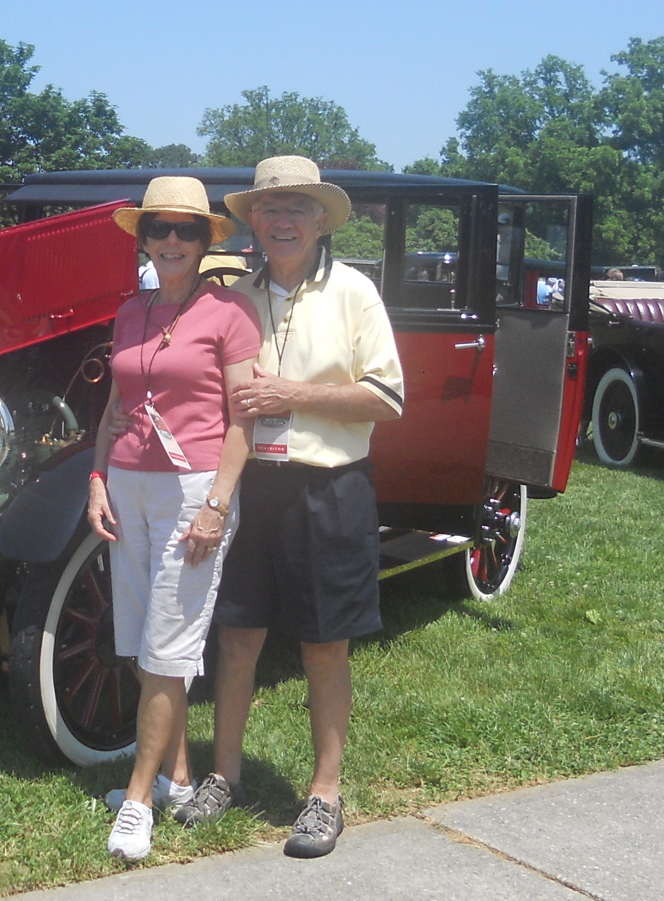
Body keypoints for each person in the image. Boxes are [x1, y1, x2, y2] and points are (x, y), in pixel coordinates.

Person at [172, 156, 404, 860]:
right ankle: (225, 774)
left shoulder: (356, 293)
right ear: (252, 223)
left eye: (296, 209)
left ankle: (325, 792)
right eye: (269, 210)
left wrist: (290, 395)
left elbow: (388, 398)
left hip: (328, 488)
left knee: (324, 644)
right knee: (237, 637)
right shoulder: (236, 297)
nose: (281, 221)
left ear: (321, 220)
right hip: (252, 487)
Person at [88, 176, 261, 861]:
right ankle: (178, 778)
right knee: (136, 642)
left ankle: (137, 800)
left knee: (169, 645)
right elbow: (112, 410)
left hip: (193, 489)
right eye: (157, 228)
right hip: (128, 484)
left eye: (185, 229)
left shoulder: (229, 313)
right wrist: (97, 479)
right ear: (145, 237)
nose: (170, 240)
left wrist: (218, 503)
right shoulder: (130, 312)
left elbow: (243, 419)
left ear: (204, 239)